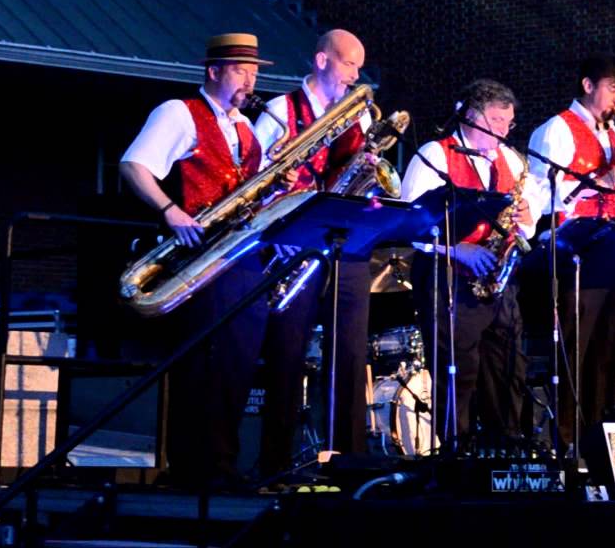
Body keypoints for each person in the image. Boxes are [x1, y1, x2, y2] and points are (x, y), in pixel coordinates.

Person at [120, 32, 293, 488]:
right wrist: (170, 211)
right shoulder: (180, 112)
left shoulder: (246, 126)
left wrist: (278, 183)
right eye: (241, 70)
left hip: (242, 256)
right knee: (204, 363)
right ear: (213, 71)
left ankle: (221, 464)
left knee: (236, 363)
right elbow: (134, 165)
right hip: (198, 256)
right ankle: (194, 469)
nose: (250, 81)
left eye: (255, 72)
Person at [253, 28, 377, 458]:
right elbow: (254, 182)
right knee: (287, 355)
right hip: (294, 246)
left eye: (359, 67)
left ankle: (348, 458)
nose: (355, 76)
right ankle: (275, 461)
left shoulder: (356, 114)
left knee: (350, 354)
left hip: (344, 247)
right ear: (322, 61)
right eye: (348, 64)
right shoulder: (277, 112)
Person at [399, 79, 544, 446]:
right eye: (496, 121)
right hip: (450, 278)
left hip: (499, 280)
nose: (503, 132)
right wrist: (456, 249)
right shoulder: (434, 154)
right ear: (470, 115)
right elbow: (411, 225)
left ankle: (504, 447)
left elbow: (531, 217)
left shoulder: (510, 158)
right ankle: (456, 451)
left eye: (508, 124)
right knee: (459, 374)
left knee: (508, 367)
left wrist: (527, 214)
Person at [527, 53, 615, 450]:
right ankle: (566, 445)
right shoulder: (556, 130)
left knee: (607, 353)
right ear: (588, 85)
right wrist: (605, 179)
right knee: (574, 355)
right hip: (573, 251)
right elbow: (544, 197)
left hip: (613, 249)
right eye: (614, 89)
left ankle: (601, 443)